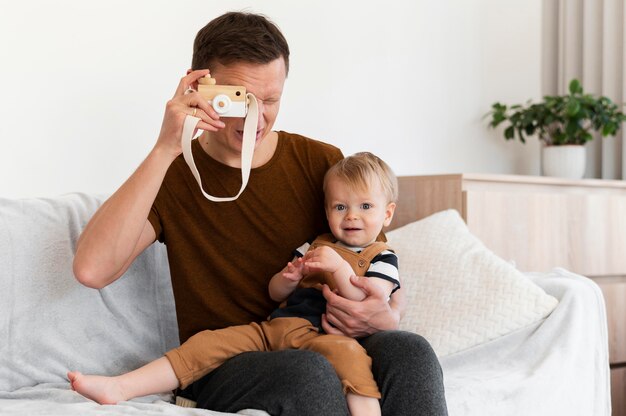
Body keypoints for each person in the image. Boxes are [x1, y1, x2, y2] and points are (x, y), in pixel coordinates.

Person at [71, 11, 448, 416]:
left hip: (322, 336)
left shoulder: (320, 162)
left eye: (271, 100)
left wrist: (388, 311)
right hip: (224, 361)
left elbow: (376, 261)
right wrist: (166, 146)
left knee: (410, 349)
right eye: (243, 100)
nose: (259, 117)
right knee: (309, 372)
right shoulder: (173, 174)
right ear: (201, 86)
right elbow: (92, 270)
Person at [69, 152, 400, 416]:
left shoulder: (382, 257)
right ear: (327, 210)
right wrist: (288, 278)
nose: (351, 216)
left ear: (387, 214)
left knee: (353, 360)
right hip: (275, 328)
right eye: (340, 207)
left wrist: (338, 269)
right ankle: (121, 387)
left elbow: (365, 299)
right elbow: (275, 293)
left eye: (365, 207)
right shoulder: (317, 243)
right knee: (207, 344)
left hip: (326, 337)